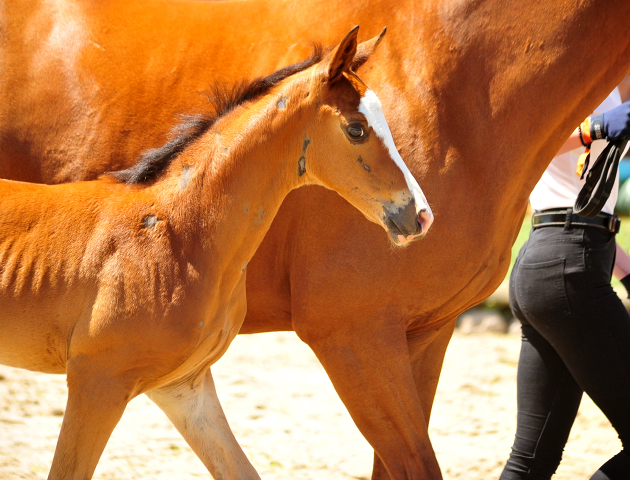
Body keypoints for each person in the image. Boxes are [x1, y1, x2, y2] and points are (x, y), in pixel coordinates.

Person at [499, 89, 630, 480]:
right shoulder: (575, 72)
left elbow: (590, 206)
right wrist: (595, 128)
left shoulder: (611, 84)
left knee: (532, 459)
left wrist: (626, 270)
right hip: (567, 268)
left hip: (554, 260)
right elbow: (524, 143)